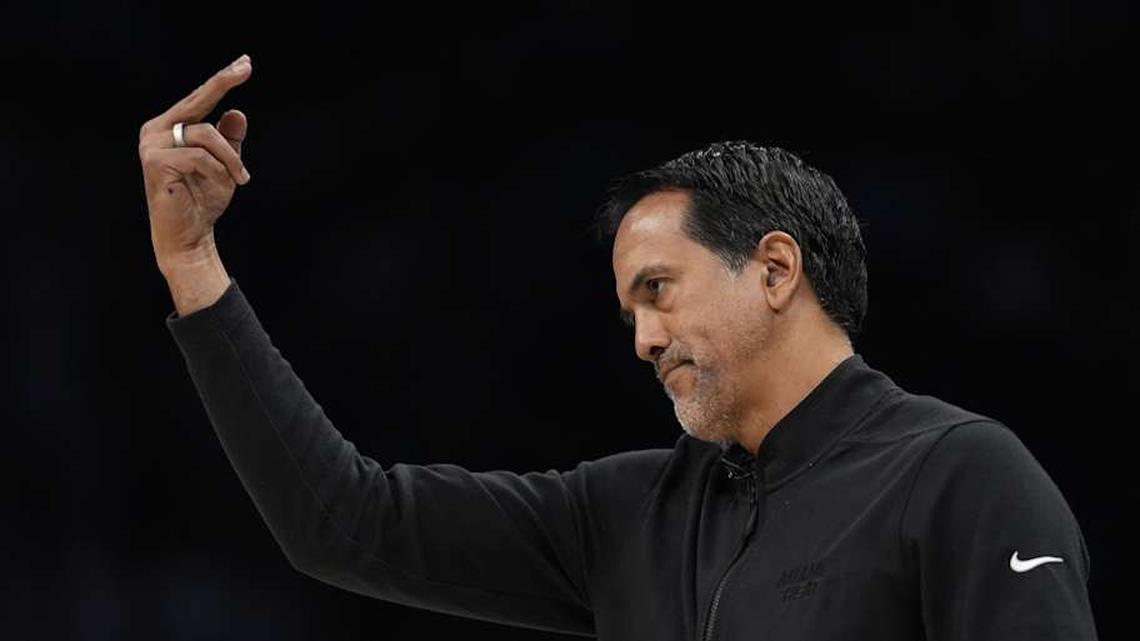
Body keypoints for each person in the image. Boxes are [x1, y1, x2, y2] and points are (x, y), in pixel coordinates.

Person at [138, 55, 1099, 640]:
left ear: (774, 270)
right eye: (627, 311)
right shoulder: (628, 516)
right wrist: (192, 264)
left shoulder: (965, 476)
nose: (641, 340)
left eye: (658, 290)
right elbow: (343, 522)